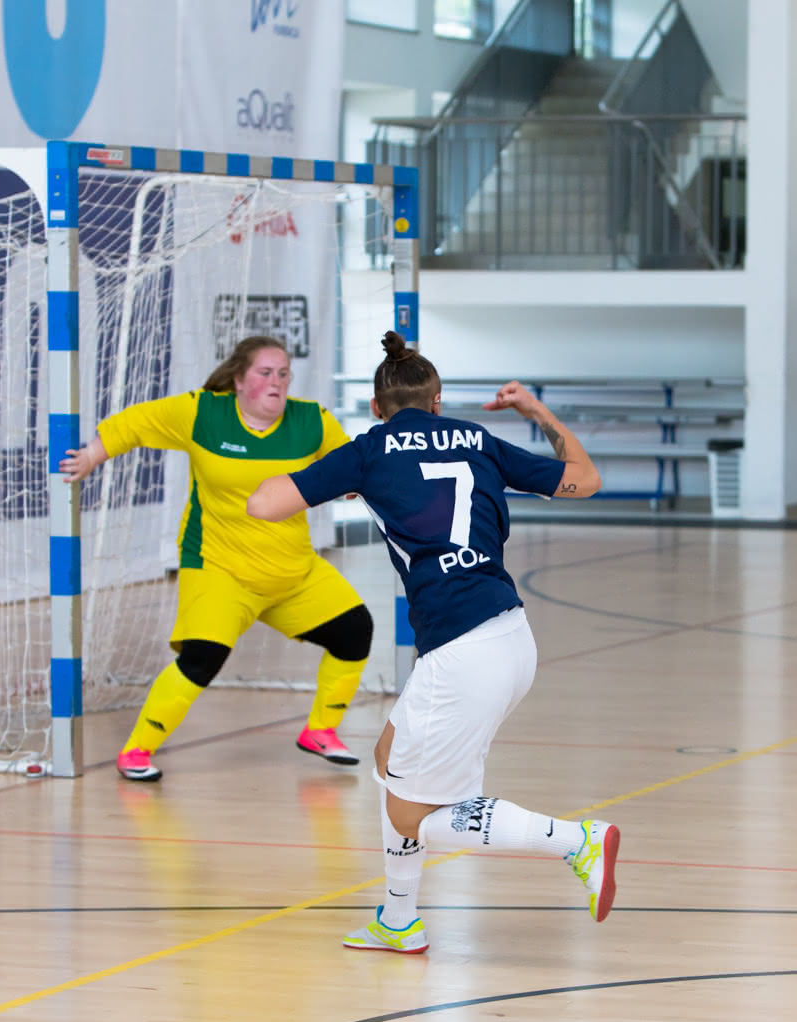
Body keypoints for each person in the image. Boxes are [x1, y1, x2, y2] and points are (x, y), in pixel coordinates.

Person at [247, 330, 617, 954]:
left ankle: (576, 841)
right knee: (389, 758)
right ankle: (397, 920)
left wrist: (342, 475)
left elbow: (263, 504)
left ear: (376, 407)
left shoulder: (369, 450)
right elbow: (588, 479)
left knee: (412, 814)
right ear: (437, 402)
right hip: (505, 637)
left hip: (463, 652)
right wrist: (536, 411)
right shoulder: (477, 439)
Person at [59, 336, 373, 781]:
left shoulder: (312, 420)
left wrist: (365, 484)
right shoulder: (203, 412)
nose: (277, 382)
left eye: (283, 374)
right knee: (202, 657)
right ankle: (136, 750)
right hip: (219, 567)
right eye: (265, 373)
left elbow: (351, 468)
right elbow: (136, 422)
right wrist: (92, 455)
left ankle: (320, 730)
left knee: (355, 630)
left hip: (292, 571)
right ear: (239, 380)